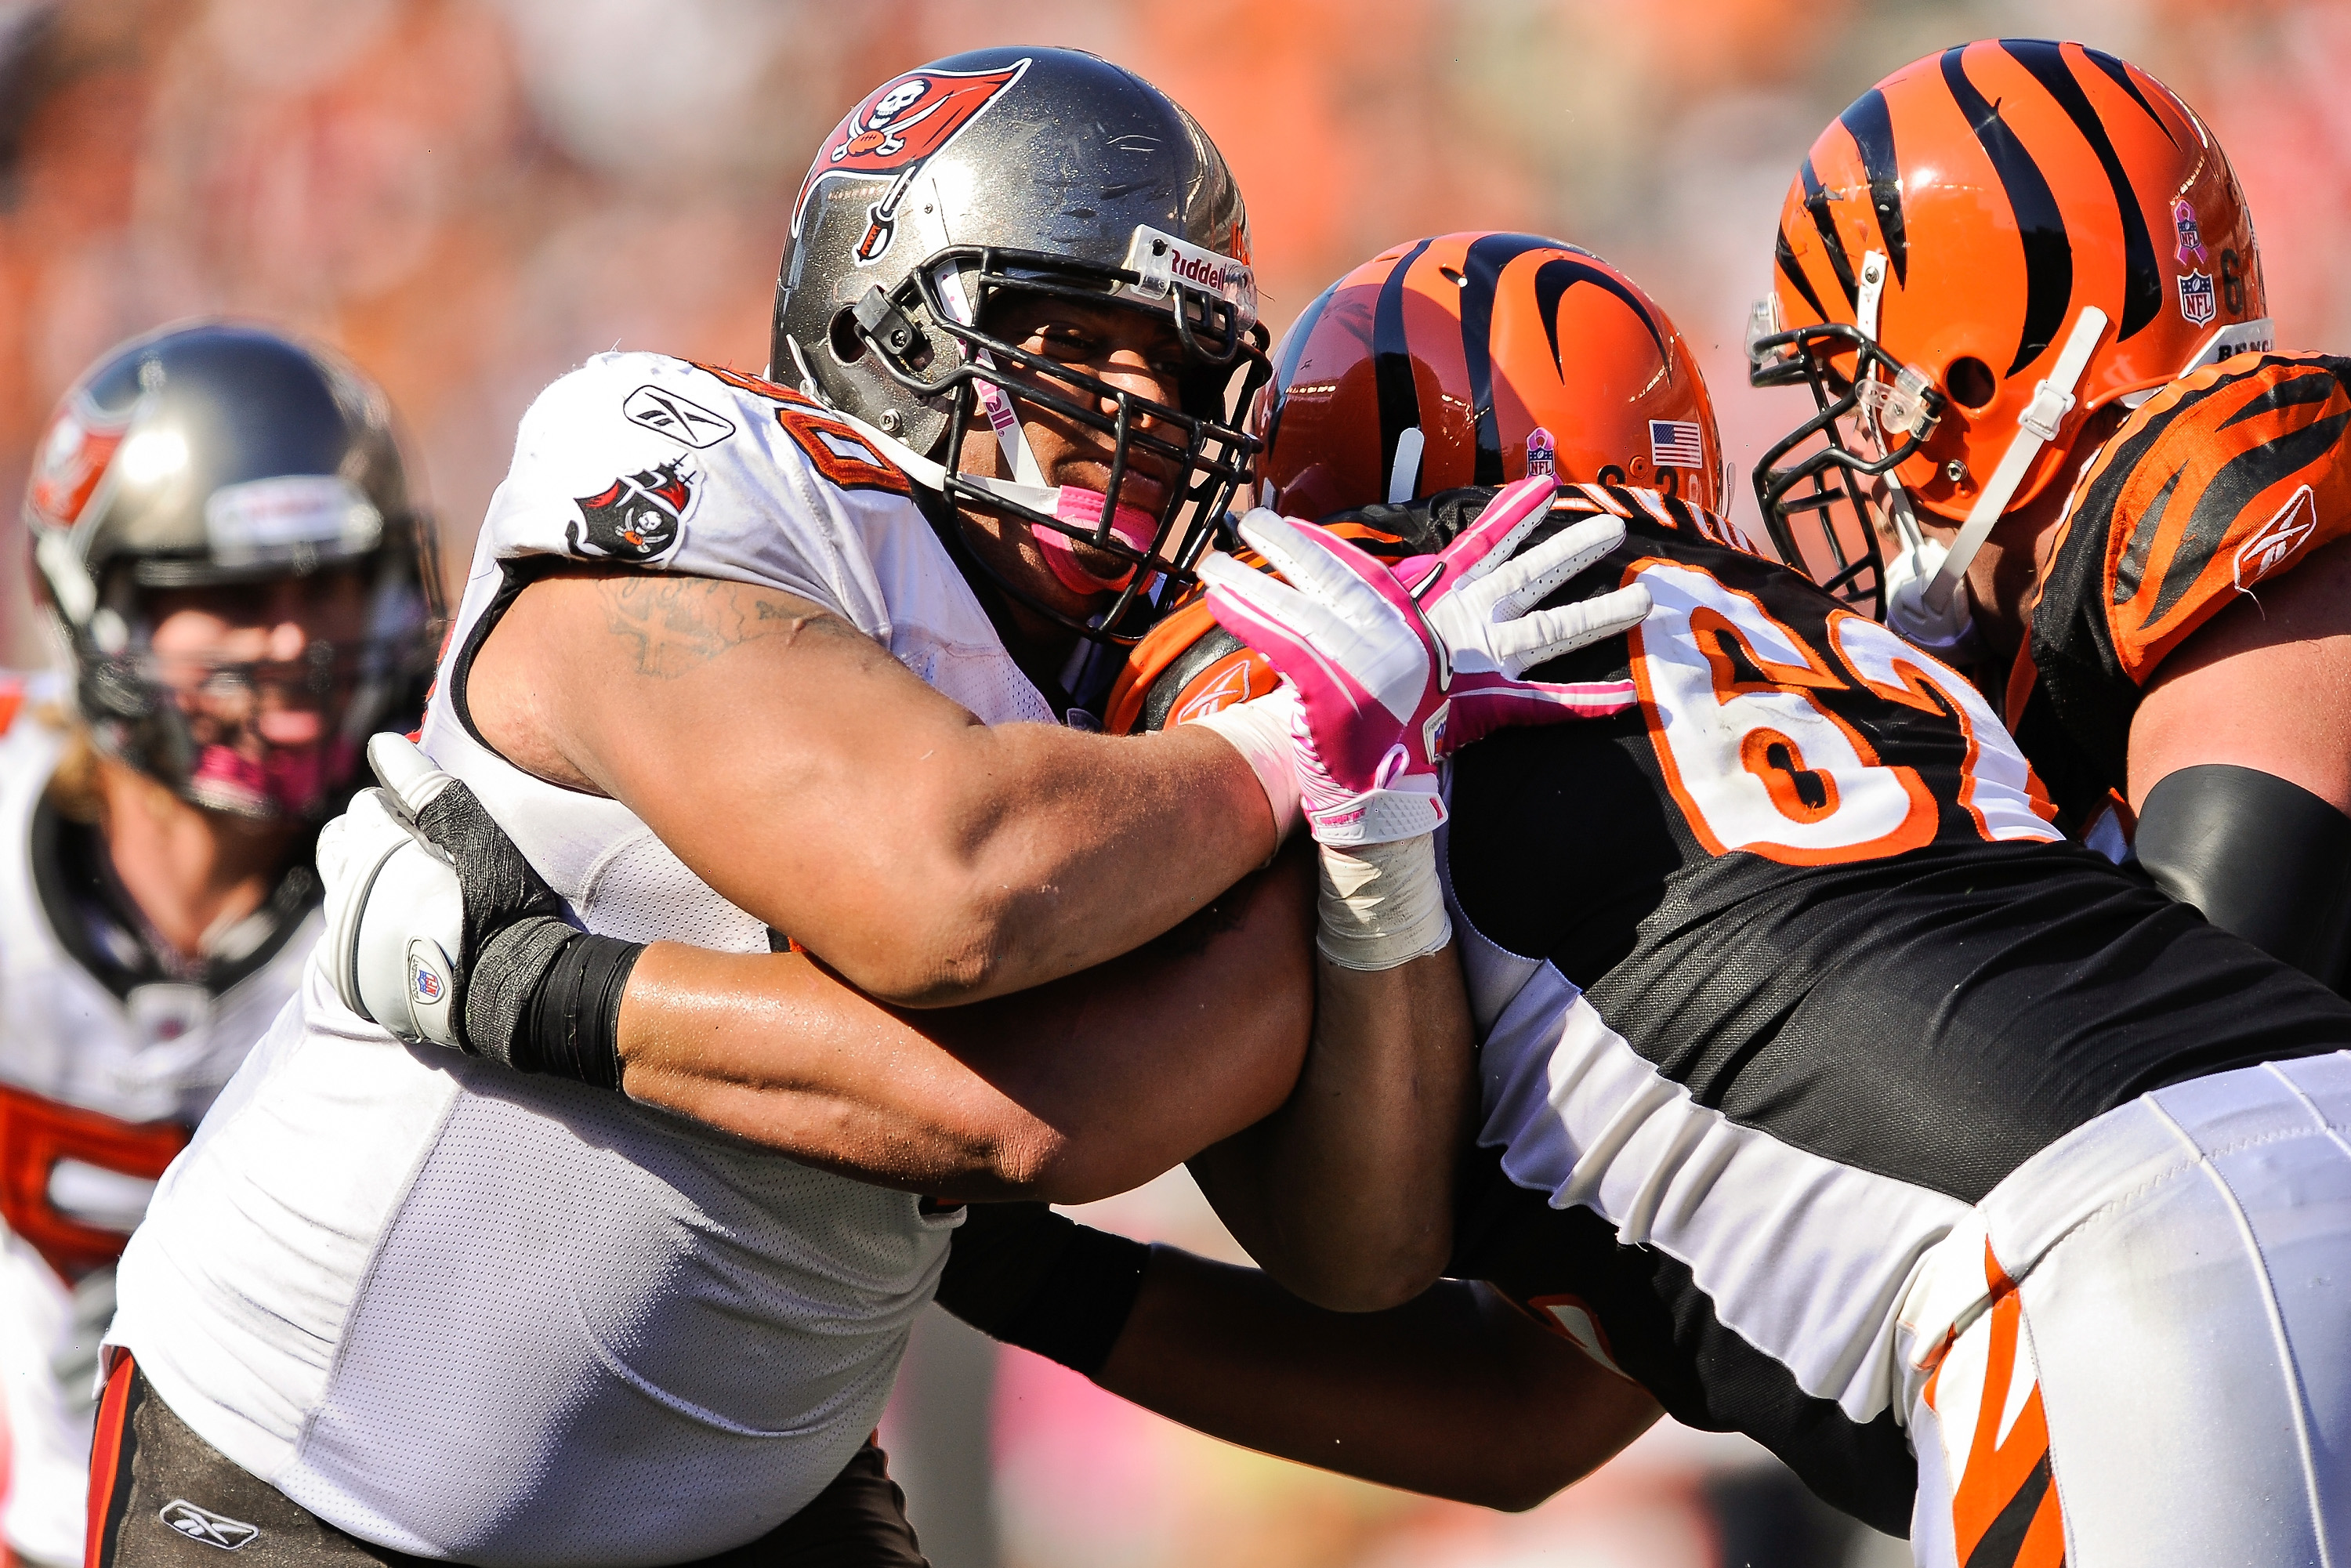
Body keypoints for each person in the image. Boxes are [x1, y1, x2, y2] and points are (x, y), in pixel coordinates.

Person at [94, 53, 1639, 1566]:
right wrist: (1297, 749)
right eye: (1071, 336)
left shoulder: (1182, 675)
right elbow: (949, 889)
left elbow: (1129, 1153)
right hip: (306, 1472)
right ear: (877, 325)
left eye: (1175, 361)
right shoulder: (699, 467)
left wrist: (1359, 806)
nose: (1139, 406)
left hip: (758, 1500)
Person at [921, 237, 2351, 1567]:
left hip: (2090, 1266)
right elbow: (1526, 1413)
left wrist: (933, 1212)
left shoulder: (1345, 652)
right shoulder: (1835, 648)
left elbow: (1315, 1224)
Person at [1747, 38, 2351, 988]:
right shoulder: (2083, 632)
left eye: (1863, 396)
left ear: (1979, 380)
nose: (1860, 459)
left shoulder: (2256, 558)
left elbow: (2201, 1051)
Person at [0, 321, 438, 1568]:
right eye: (236, 596)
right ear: (102, 604)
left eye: (333, 583)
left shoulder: (437, 858)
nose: (295, 644)